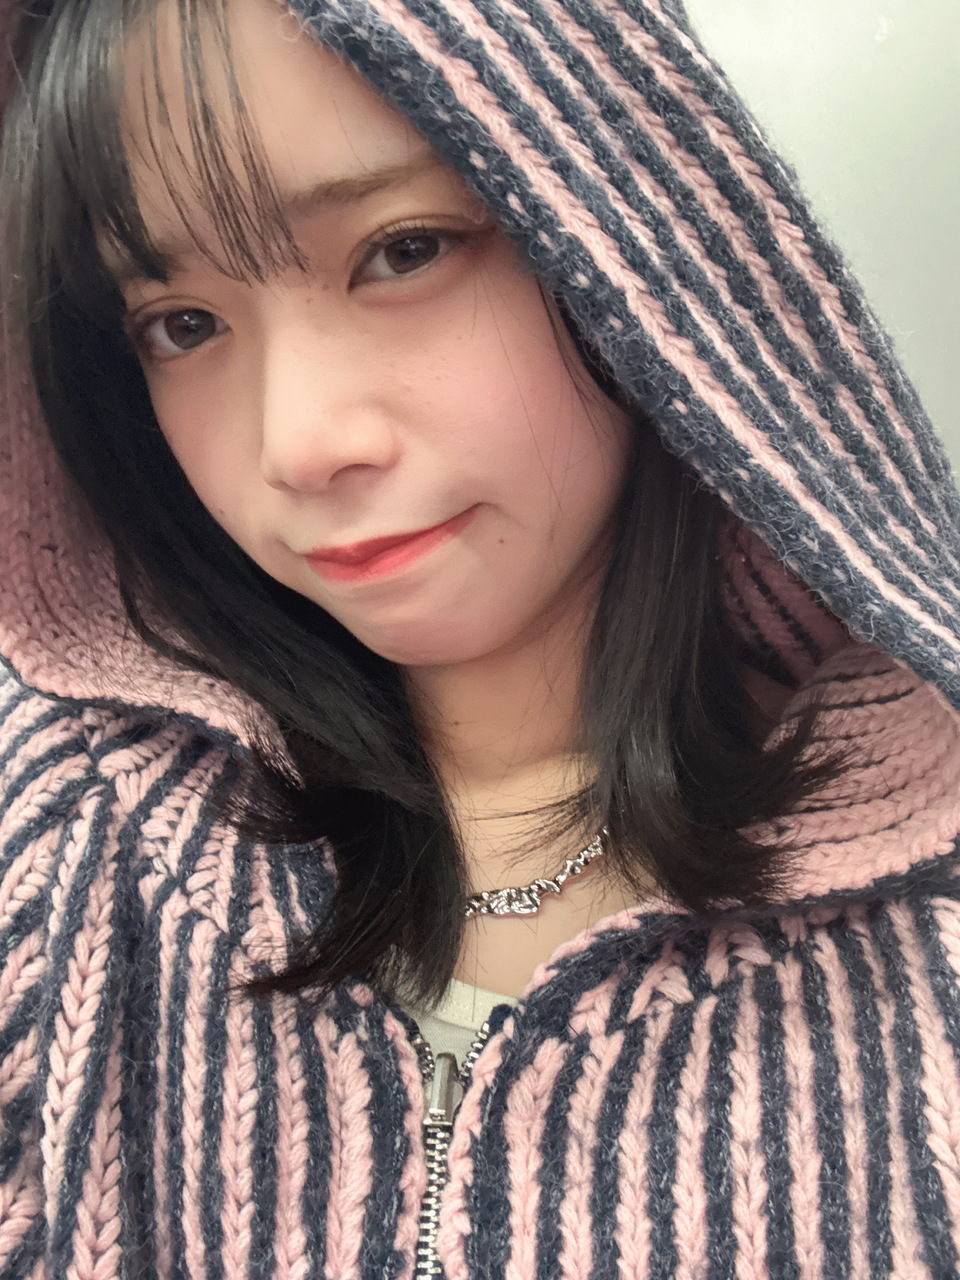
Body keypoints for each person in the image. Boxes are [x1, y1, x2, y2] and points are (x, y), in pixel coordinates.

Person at [1, 0, 959, 1274]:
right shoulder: (63, 831)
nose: (298, 441)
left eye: (402, 251)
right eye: (182, 323)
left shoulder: (924, 925)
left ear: (632, 227)